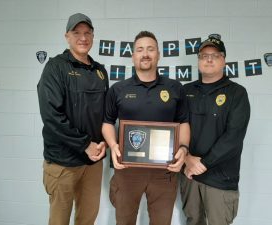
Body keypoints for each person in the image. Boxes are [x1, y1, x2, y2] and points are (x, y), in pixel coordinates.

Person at [102, 31, 190, 225]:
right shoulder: (118, 89)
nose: (145, 54)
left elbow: (184, 121)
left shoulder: (175, 88)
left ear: (158, 54)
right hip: (127, 170)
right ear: (133, 56)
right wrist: (114, 145)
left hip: (164, 170)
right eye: (140, 49)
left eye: (150, 49)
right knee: (124, 222)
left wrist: (183, 149)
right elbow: (107, 122)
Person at [37, 13, 109, 225]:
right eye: (77, 33)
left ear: (93, 36)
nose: (83, 38)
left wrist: (104, 143)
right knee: (59, 221)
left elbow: (104, 115)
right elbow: (51, 116)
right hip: (63, 163)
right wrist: (85, 144)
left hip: (92, 162)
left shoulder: (100, 71)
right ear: (67, 36)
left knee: (87, 219)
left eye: (87, 33)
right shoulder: (55, 68)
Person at [180, 34, 250, 225]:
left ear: (224, 60)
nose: (209, 59)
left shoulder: (237, 93)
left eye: (215, 55)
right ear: (198, 61)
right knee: (193, 221)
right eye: (204, 55)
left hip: (221, 179)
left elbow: (233, 137)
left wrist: (203, 163)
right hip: (190, 176)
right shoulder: (185, 91)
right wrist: (186, 159)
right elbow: (176, 129)